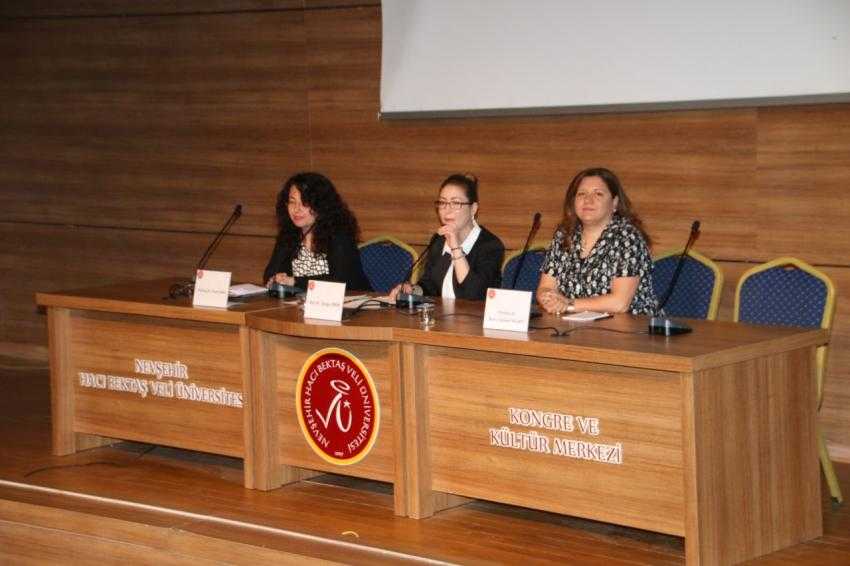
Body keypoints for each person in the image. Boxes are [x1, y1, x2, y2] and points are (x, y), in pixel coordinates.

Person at [537, 167, 658, 315]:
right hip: (573, 322)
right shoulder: (564, 234)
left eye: (598, 194)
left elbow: (619, 304)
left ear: (614, 203)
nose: (588, 200)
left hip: (630, 325)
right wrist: (549, 300)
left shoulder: (627, 237)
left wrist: (568, 304)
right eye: (581, 194)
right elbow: (546, 287)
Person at [390, 173, 504, 301]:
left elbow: (474, 295)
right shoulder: (439, 240)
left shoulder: (490, 246)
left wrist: (455, 248)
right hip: (442, 313)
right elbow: (430, 285)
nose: (447, 210)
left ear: (473, 209)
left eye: (455, 203)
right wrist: (412, 290)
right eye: (443, 202)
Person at [264, 172, 371, 291]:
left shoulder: (339, 235)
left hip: (350, 299)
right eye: (292, 202)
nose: (296, 209)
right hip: (303, 301)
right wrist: (276, 279)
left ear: (321, 206)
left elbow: (339, 281)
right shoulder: (289, 234)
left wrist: (295, 281)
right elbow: (270, 273)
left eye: (305, 203)